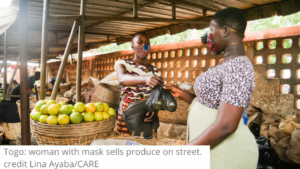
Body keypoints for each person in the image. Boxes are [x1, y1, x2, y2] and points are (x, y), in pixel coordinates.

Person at [164, 7, 258, 169]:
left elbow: (227, 125)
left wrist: (185, 153)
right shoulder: (228, 65)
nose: (208, 37)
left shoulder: (239, 67)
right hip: (214, 153)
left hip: (226, 155)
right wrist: (182, 94)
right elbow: (212, 104)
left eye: (211, 31)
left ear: (226, 31)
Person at [114, 31, 163, 137]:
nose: (144, 45)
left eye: (147, 43)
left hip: (147, 113)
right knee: (126, 144)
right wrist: (146, 79)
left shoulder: (154, 70)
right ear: (132, 46)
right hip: (129, 112)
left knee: (147, 143)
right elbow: (122, 79)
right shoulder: (124, 63)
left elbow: (157, 92)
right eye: (140, 42)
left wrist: (155, 110)